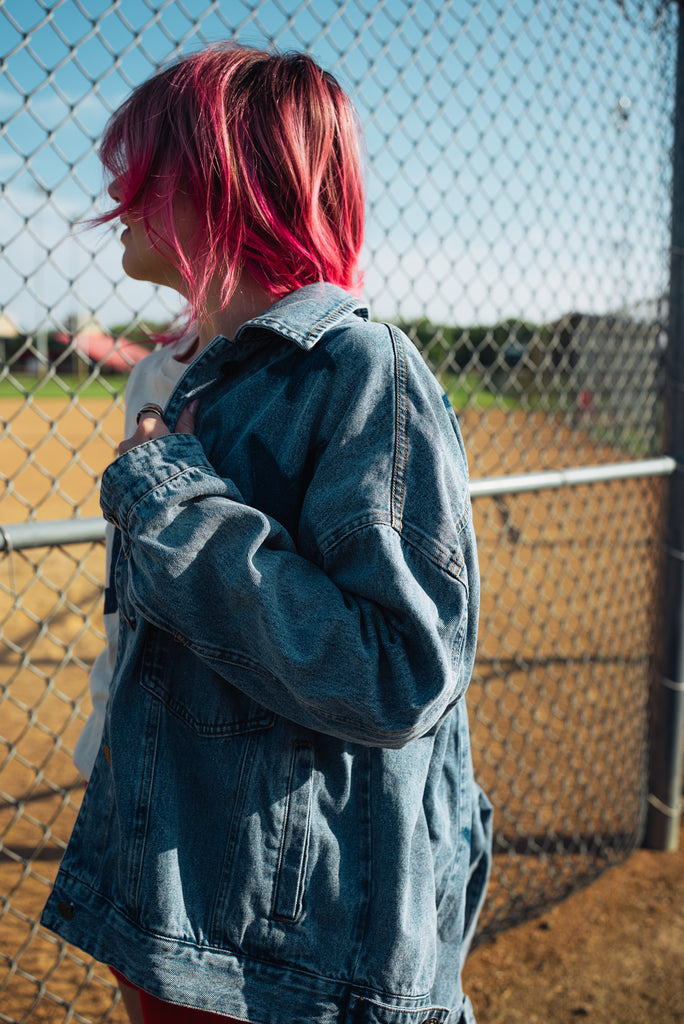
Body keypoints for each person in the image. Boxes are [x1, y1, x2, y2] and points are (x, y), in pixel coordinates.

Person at [41, 43, 492, 1024]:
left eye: (145, 157)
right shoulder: (185, 378)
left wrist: (176, 498)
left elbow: (399, 670)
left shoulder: (362, 374)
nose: (115, 181)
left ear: (223, 179)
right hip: (173, 877)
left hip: (287, 940)